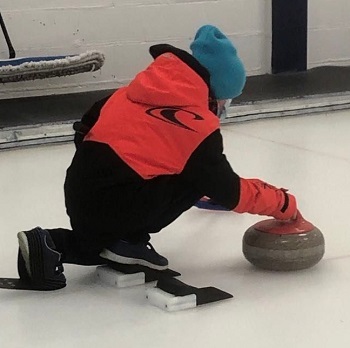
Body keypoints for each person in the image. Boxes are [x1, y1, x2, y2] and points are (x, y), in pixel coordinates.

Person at [16, 25, 297, 290]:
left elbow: (85, 128)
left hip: (82, 190)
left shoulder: (131, 93)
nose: (223, 110)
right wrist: (282, 203)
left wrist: (120, 170)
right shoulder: (196, 124)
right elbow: (227, 190)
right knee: (196, 176)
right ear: (213, 93)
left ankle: (54, 243)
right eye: (225, 102)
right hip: (114, 204)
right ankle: (122, 237)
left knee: (96, 241)